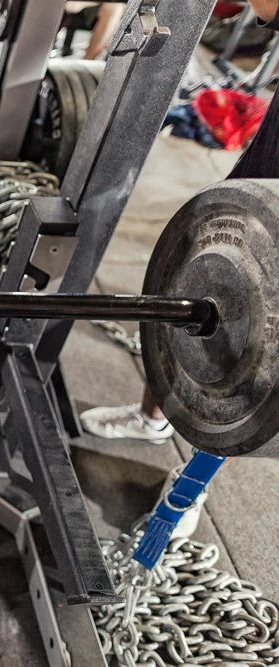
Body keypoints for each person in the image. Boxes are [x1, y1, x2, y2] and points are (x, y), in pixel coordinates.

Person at [80, 0, 279, 443]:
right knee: (207, 295)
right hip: (262, 183)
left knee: (211, 298)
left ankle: (170, 441)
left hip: (265, 192)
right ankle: (159, 420)